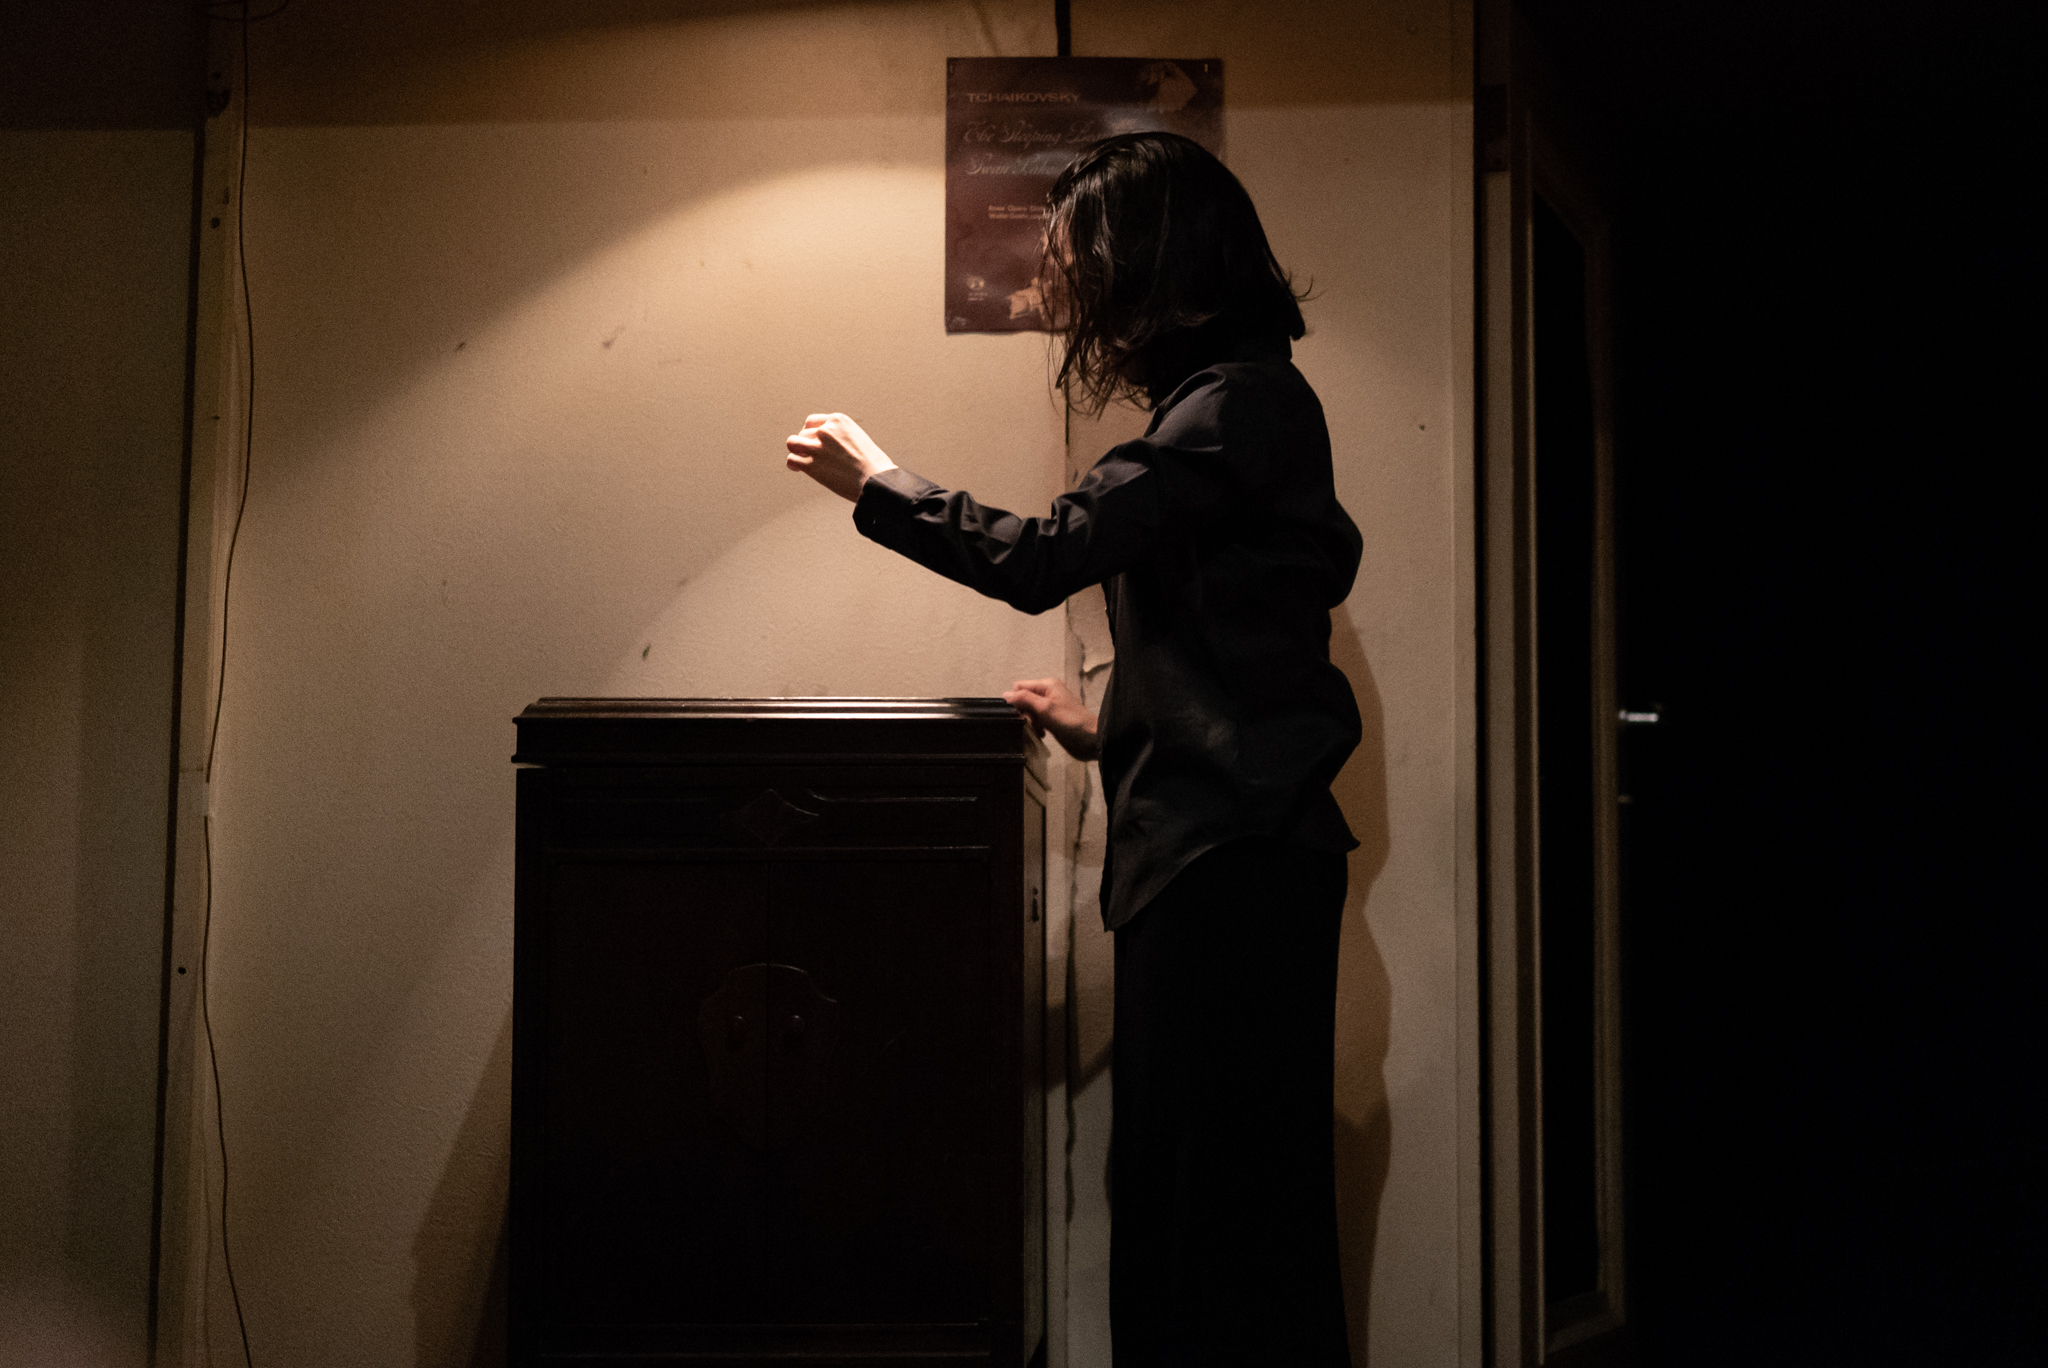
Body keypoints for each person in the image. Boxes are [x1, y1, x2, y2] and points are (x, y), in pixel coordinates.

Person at [784, 131, 1361, 1367]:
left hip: (1225, 869)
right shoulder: (1235, 404)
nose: (1062, 284)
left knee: (1205, 1219)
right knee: (1212, 1208)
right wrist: (1106, 728)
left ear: (1153, 259)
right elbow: (1243, 647)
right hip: (1232, 859)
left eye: (1078, 256)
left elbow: (1047, 554)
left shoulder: (1234, 404)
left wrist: (878, 481)